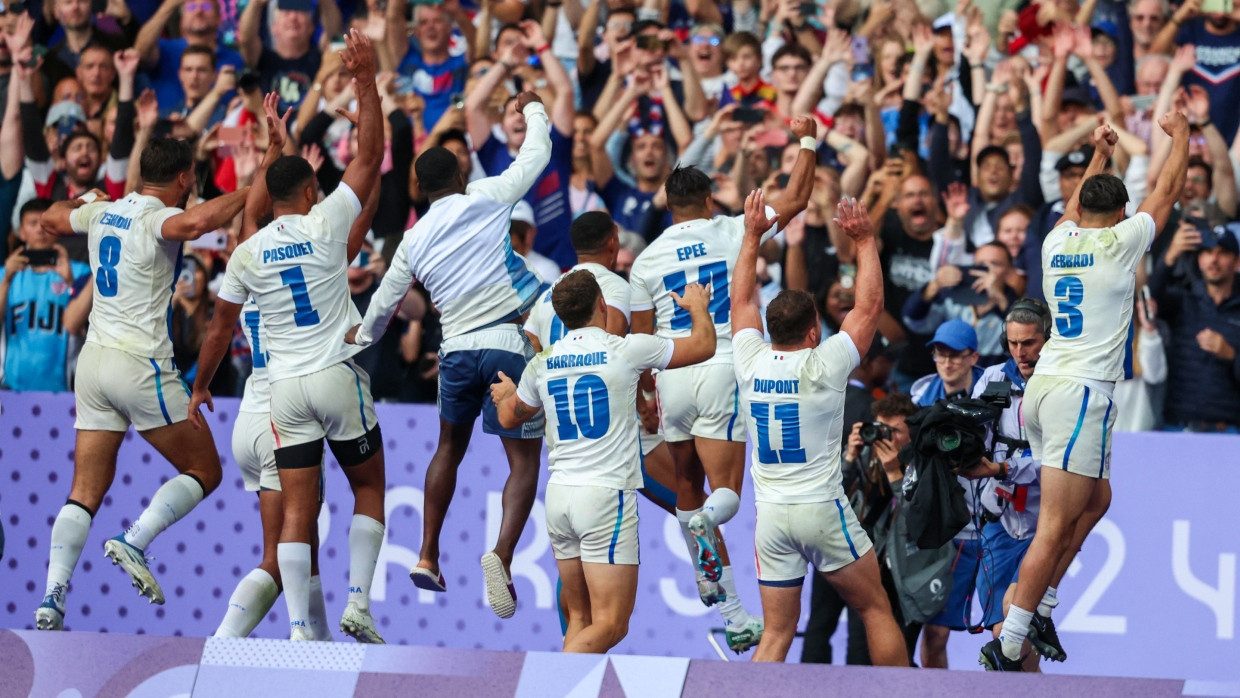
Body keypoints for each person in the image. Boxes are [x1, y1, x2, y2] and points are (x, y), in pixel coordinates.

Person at [190, 32, 388, 644]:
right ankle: (358, 602)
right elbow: (369, 158)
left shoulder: (246, 254)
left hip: (279, 395)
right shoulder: (326, 223)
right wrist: (366, 81)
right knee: (371, 488)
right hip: (333, 374)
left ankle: (303, 633)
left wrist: (199, 386)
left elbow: (220, 325)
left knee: (295, 520)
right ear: (309, 193)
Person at [981, 113, 1189, 671]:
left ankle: (1042, 603)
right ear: (1120, 214)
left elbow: (1074, 207)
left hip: (1045, 390)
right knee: (1054, 525)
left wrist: (1099, 151)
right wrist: (1183, 135)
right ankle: (1009, 641)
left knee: (1098, 500)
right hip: (1081, 395)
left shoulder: (1056, 241)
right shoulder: (1121, 243)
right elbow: (1167, 190)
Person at [346, 90, 550, 620]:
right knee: (523, 461)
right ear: (460, 178)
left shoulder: (412, 239)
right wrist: (531, 109)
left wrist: (354, 338)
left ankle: (427, 554)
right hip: (508, 338)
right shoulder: (484, 196)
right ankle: (501, 557)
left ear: (418, 189)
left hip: (455, 350)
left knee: (447, 450)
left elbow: (386, 303)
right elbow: (537, 155)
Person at [33, 136, 250, 631]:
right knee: (205, 470)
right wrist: (251, 186)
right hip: (141, 365)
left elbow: (48, 219)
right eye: (191, 179)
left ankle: (52, 597)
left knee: (85, 488)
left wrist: (84, 200)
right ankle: (134, 539)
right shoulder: (156, 217)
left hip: (92, 366)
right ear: (181, 178)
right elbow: (196, 223)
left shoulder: (103, 212)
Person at [524, 211, 761, 652]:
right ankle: (734, 617)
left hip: (566, 452)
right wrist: (641, 403)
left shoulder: (546, 297)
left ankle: (571, 658)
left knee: (580, 598)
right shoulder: (612, 287)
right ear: (613, 243)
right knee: (692, 507)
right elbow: (612, 349)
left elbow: (532, 351)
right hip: (622, 438)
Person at [627, 118, 813, 634]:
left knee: (687, 484)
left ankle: (730, 612)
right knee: (723, 489)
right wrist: (807, 139)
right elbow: (797, 196)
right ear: (710, 200)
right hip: (723, 368)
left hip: (672, 377)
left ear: (669, 208)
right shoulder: (734, 229)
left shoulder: (645, 261)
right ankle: (711, 534)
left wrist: (646, 395)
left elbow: (643, 337)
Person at [490, 272, 717, 653]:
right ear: (601, 305)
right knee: (611, 625)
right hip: (604, 498)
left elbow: (510, 417)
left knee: (580, 620)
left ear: (560, 318)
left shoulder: (543, 362)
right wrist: (698, 308)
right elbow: (704, 346)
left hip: (560, 496)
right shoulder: (627, 348)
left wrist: (506, 395)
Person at [733, 190, 907, 666]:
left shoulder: (748, 359)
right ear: (814, 332)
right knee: (875, 609)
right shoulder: (824, 364)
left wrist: (751, 236)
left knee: (775, 635)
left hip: (770, 515)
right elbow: (868, 308)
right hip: (820, 509)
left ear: (770, 331)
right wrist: (865, 241)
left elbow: (741, 298)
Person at [212, 99, 332, 641]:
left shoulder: (251, 258)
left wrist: (274, 155)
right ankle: (225, 644)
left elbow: (252, 218)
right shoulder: (314, 254)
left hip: (250, 415)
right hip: (286, 420)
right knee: (282, 551)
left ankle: (320, 644)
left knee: (299, 548)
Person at [959, 298, 1052, 674]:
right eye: (1012, 344)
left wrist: (1003, 466)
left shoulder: (1060, 384)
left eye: (1028, 343)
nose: (1020, 353)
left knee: (1015, 621)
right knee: (1004, 639)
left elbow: (1060, 463)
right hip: (999, 518)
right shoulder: (995, 378)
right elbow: (976, 431)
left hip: (1045, 523)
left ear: (1047, 337)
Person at [1150, 222, 1240, 432]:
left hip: (1229, 430)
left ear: (1236, 262)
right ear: (1199, 260)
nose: (1214, 260)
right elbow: (1148, 302)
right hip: (1178, 427)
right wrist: (1170, 256)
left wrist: (1230, 355)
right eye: (1207, 252)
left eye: (1223, 253)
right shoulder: (1183, 300)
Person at [0, 198, 92, 392]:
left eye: (45, 225)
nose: (40, 230)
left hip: (63, 387)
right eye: (33, 224)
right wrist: (7, 280)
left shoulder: (80, 273)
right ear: (21, 232)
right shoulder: (4, 275)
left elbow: (81, 325)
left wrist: (70, 282)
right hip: (11, 387)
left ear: (56, 230)